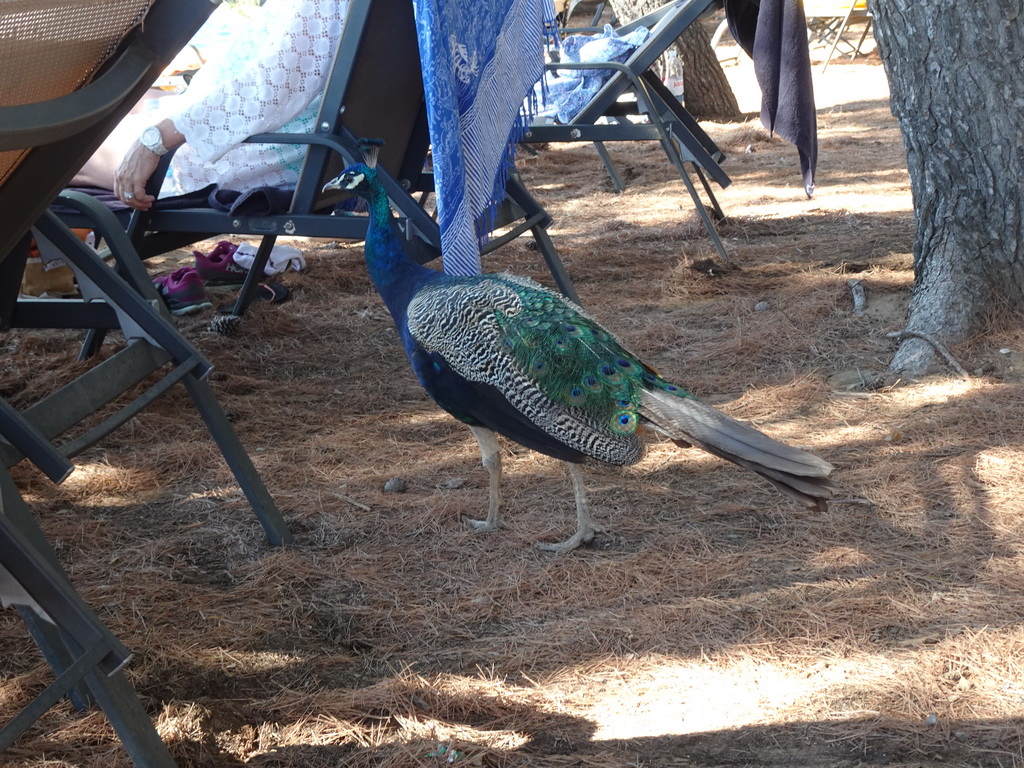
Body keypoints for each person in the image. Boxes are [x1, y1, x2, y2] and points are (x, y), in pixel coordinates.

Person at [74, 0, 350, 211]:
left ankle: (69, 276)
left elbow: (266, 91)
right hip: (269, 137)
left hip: (239, 151)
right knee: (120, 109)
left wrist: (155, 140)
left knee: (63, 146)